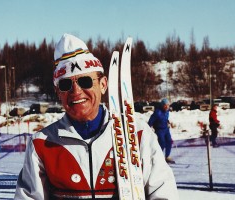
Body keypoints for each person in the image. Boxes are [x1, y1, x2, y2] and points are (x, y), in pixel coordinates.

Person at [15, 34, 178, 199]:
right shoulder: (41, 144)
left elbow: (163, 192)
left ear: (103, 85)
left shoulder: (138, 134)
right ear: (58, 92)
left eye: (85, 81)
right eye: (65, 84)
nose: (76, 91)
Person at [148, 98, 174, 164]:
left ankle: (167, 156)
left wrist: (168, 122)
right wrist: (148, 128)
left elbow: (165, 118)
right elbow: (151, 121)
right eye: (165, 105)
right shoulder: (157, 112)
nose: (167, 107)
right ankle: (157, 157)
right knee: (162, 143)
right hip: (159, 130)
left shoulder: (167, 111)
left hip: (166, 129)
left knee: (169, 141)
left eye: (168, 105)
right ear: (162, 105)